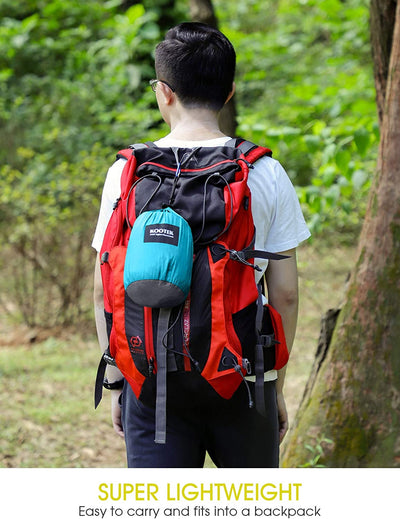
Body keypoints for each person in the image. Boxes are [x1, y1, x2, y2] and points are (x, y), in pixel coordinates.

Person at [92, 22, 310, 468]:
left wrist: (117, 381)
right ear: (229, 91)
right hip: (243, 378)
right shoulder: (264, 172)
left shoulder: (126, 172)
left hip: (151, 379)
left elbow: (104, 289)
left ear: (163, 92)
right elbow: (285, 293)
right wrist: (275, 385)